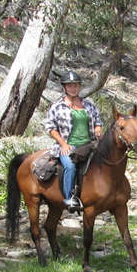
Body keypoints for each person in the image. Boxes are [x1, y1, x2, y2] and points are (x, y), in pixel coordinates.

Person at [44, 71, 103, 210]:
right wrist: (63, 144)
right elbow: (50, 127)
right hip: (68, 146)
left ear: (79, 87)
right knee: (70, 167)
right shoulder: (57, 107)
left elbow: (98, 120)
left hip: (90, 144)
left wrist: (98, 128)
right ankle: (69, 199)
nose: (73, 88)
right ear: (64, 88)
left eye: (75, 85)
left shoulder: (88, 105)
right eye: (69, 86)